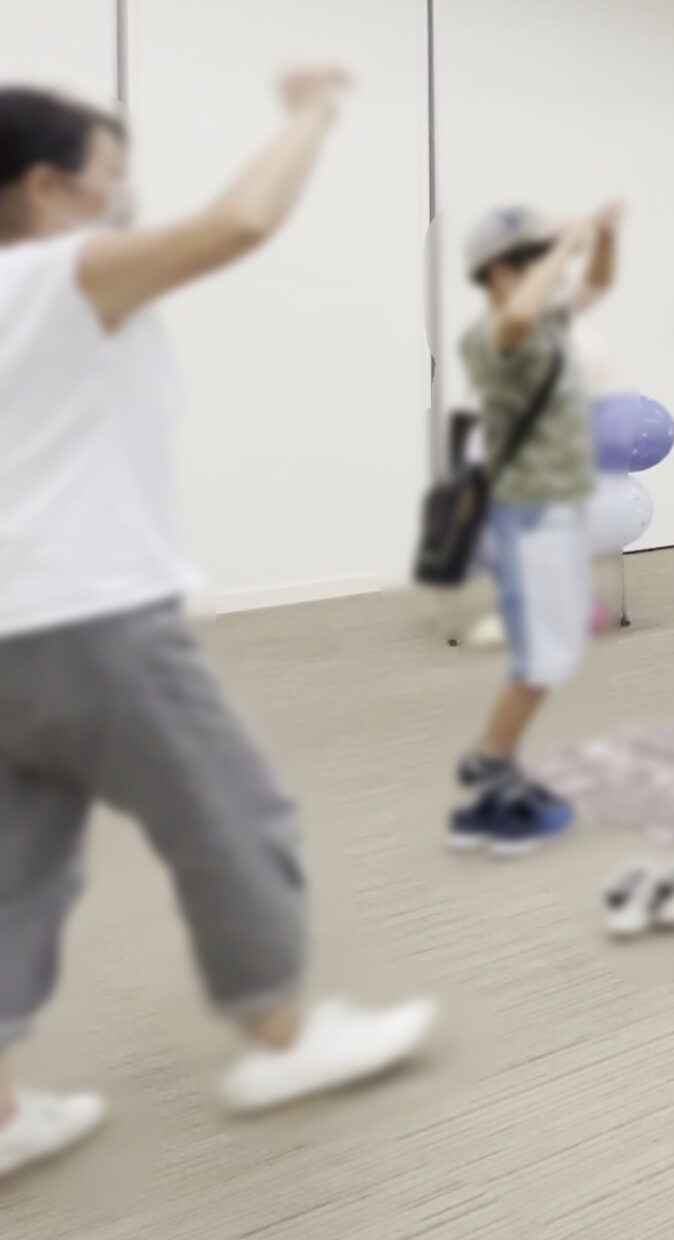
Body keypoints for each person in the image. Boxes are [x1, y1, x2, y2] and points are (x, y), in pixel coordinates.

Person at [0, 75, 436, 1178]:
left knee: (16, 868)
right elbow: (238, 223)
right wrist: (313, 112)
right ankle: (279, 1037)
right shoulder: (58, 271)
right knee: (229, 814)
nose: (129, 199)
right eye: (115, 176)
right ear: (50, 188)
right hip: (88, 619)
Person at [450, 198, 620, 851]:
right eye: (532, 259)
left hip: (559, 508)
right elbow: (519, 315)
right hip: (529, 516)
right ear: (498, 271)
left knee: (554, 652)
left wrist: (603, 237)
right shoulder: (491, 334)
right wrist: (564, 244)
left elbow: (599, 283)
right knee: (542, 659)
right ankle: (491, 772)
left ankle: (497, 762)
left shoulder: (547, 319)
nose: (552, 269)